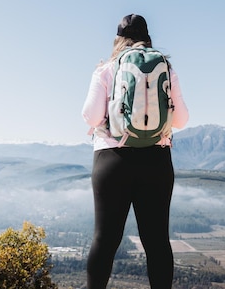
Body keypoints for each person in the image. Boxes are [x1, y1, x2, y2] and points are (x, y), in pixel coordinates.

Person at [81, 14, 189, 289]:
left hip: (112, 159)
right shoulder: (165, 67)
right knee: (156, 242)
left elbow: (91, 117)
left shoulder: (106, 69)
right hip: (156, 160)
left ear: (118, 38)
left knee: (104, 240)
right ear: (147, 37)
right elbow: (181, 120)